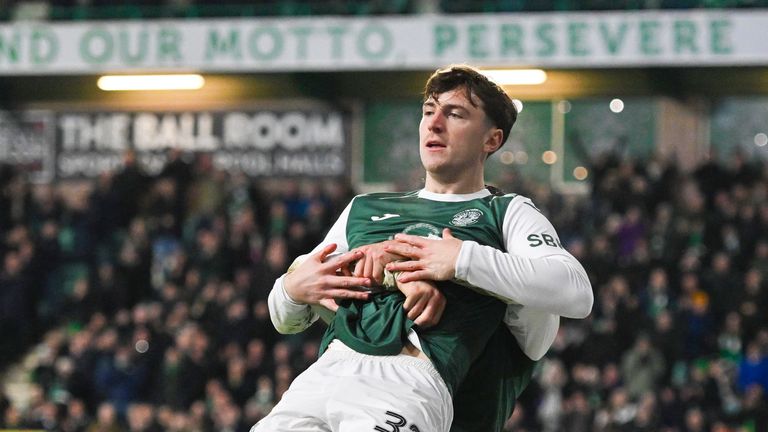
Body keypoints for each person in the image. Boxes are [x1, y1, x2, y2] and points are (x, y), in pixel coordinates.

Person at [251, 65, 593, 432]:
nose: (434, 123)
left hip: (416, 384)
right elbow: (285, 316)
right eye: (429, 111)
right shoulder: (364, 208)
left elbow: (574, 291)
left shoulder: (507, 213)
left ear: (491, 140)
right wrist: (292, 288)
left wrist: (459, 258)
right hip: (327, 372)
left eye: (455, 113)